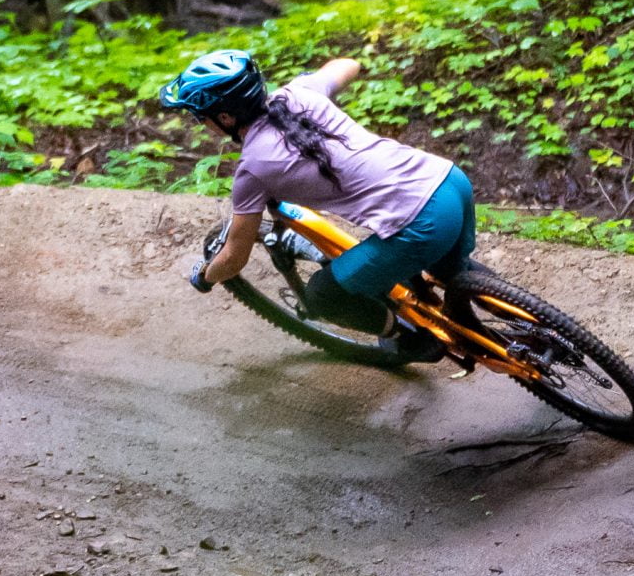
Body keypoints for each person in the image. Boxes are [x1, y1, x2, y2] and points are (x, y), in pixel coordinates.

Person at [160, 49, 476, 361]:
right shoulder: (299, 93)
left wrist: (205, 277)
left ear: (225, 117)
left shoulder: (252, 170)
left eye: (200, 116)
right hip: (449, 181)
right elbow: (349, 63)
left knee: (324, 294)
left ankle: (411, 338)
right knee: (450, 272)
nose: (201, 123)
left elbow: (233, 258)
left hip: (423, 222)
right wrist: (312, 78)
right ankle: (489, 316)